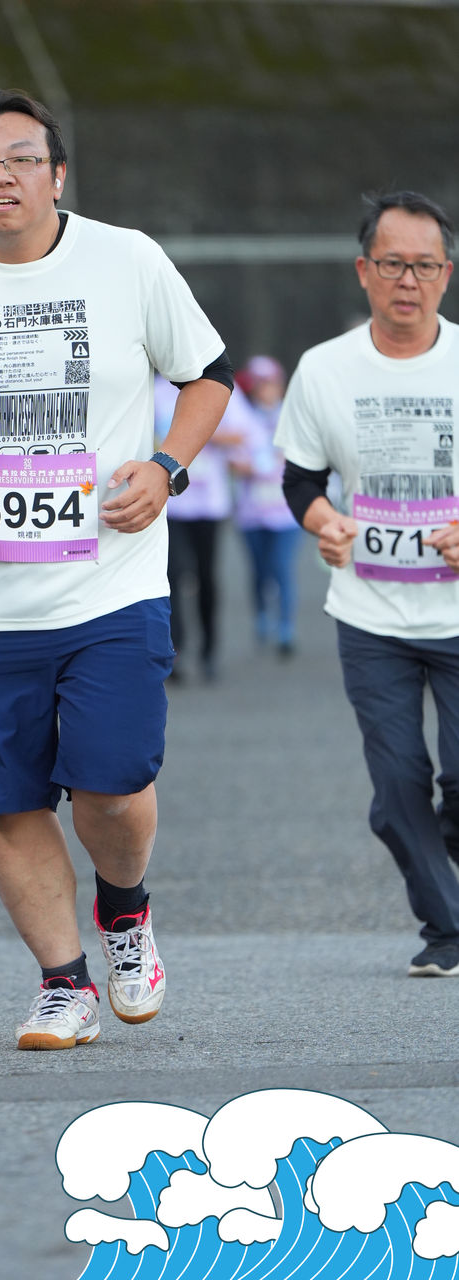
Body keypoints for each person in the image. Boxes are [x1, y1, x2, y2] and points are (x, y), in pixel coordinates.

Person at [0, 88, 232, 1049]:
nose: (2, 177)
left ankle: (125, 910)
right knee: (10, 801)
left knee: (112, 783)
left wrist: (165, 467)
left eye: (22, 159)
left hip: (110, 585)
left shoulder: (127, 260)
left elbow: (207, 375)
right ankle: (63, 985)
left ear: (57, 175)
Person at [276, 189, 459, 976]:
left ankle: (422, 836)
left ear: (445, 274)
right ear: (362, 270)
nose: (406, 281)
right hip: (370, 613)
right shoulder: (324, 368)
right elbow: (299, 480)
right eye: (391, 264)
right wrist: (324, 521)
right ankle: (446, 929)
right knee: (397, 778)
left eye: (423, 265)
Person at [155, 373, 244, 683]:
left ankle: (209, 650)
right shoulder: (155, 391)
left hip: (210, 504)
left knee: (206, 577)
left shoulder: (216, 385)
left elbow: (241, 435)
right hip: (170, 504)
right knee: (173, 576)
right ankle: (175, 651)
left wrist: (197, 432)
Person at [231, 356, 302, 658]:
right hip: (252, 512)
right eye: (260, 384)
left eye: (270, 383)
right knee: (259, 570)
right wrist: (257, 466)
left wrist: (266, 465)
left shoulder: (294, 417)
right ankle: (261, 614)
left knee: (281, 568)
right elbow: (234, 461)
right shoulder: (242, 418)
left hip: (286, 512)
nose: (265, 390)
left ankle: (285, 628)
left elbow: (302, 458)